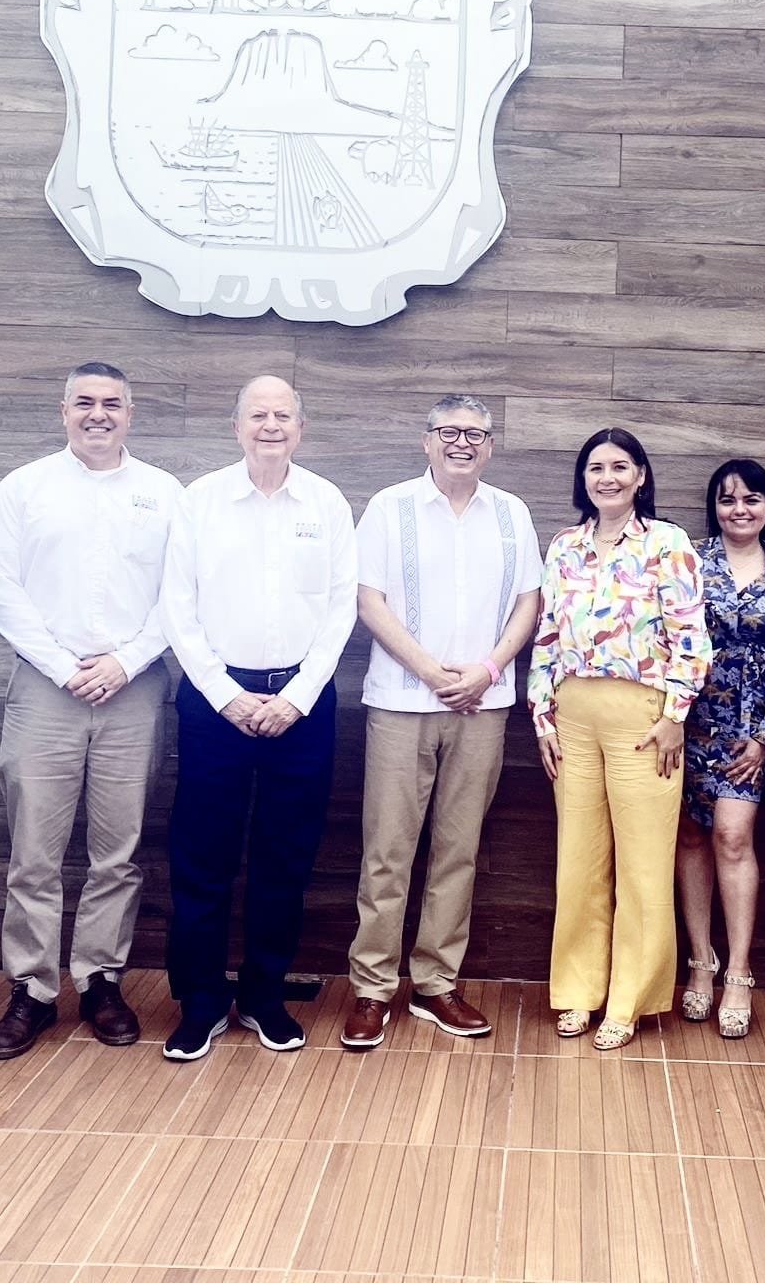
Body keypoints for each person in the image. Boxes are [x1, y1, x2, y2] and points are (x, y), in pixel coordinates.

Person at [0, 362, 183, 1060]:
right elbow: (0, 586)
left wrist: (126, 660)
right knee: (33, 853)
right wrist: (64, 666)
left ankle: (100, 980)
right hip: (46, 686)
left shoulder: (164, 493)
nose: (99, 414)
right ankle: (32, 990)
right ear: (63, 410)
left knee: (117, 853)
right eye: (85, 402)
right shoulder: (24, 487)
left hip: (135, 687)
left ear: (131, 413)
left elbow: (181, 592)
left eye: (112, 403)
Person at [157, 375, 356, 1062]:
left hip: (301, 702)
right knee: (202, 856)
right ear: (236, 426)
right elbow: (176, 606)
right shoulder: (201, 500)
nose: (270, 426)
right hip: (215, 701)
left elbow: (341, 608)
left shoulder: (326, 502)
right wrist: (224, 694)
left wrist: (297, 696)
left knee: (285, 856)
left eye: (282, 416)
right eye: (258, 415)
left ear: (301, 428)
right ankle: (201, 1002)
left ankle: (264, 996)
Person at [341, 397, 543, 1049]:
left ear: (490, 446)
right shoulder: (389, 507)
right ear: (426, 440)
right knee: (387, 852)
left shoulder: (511, 512)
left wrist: (487, 669)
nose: (463, 443)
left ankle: (435, 983)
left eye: (476, 434)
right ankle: (373, 988)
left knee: (459, 850)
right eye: (450, 432)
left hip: (482, 705)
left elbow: (530, 601)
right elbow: (367, 600)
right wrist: (431, 671)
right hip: (402, 703)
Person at [528, 428, 711, 1051]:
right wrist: (543, 715)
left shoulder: (667, 543)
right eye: (596, 468)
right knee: (578, 860)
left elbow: (691, 635)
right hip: (573, 714)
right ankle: (578, 990)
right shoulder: (564, 546)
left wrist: (675, 714)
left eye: (619, 467)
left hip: (644, 718)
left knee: (643, 864)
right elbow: (547, 634)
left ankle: (629, 1000)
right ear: (584, 479)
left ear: (640, 476)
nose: (607, 478)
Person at [676, 459, 765, 1040]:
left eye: (751, 499)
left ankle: (738, 971)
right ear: (715, 508)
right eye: (728, 499)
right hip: (687, 722)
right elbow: (669, 640)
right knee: (689, 837)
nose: (739, 509)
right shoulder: (688, 562)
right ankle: (699, 963)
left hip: (749, 732)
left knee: (732, 837)